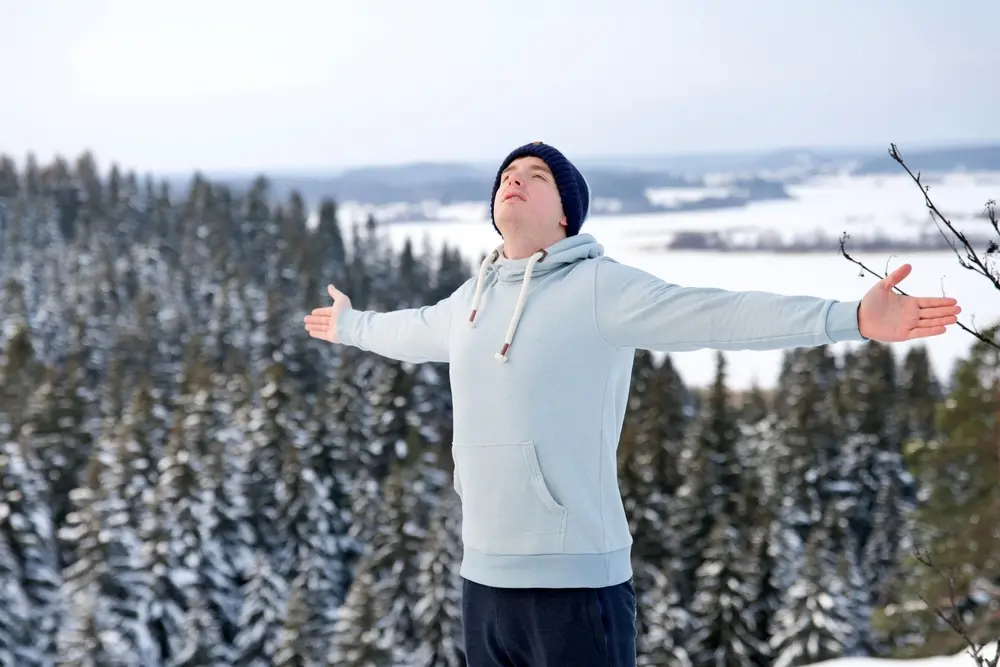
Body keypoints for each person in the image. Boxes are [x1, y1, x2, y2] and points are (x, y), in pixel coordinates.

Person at [303, 141, 962, 666]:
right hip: (483, 583)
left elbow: (716, 314)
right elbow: (409, 328)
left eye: (535, 173)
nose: (514, 177)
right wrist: (352, 325)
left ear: (567, 212)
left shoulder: (598, 288)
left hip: (576, 587)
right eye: (508, 171)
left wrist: (849, 317)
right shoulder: (469, 303)